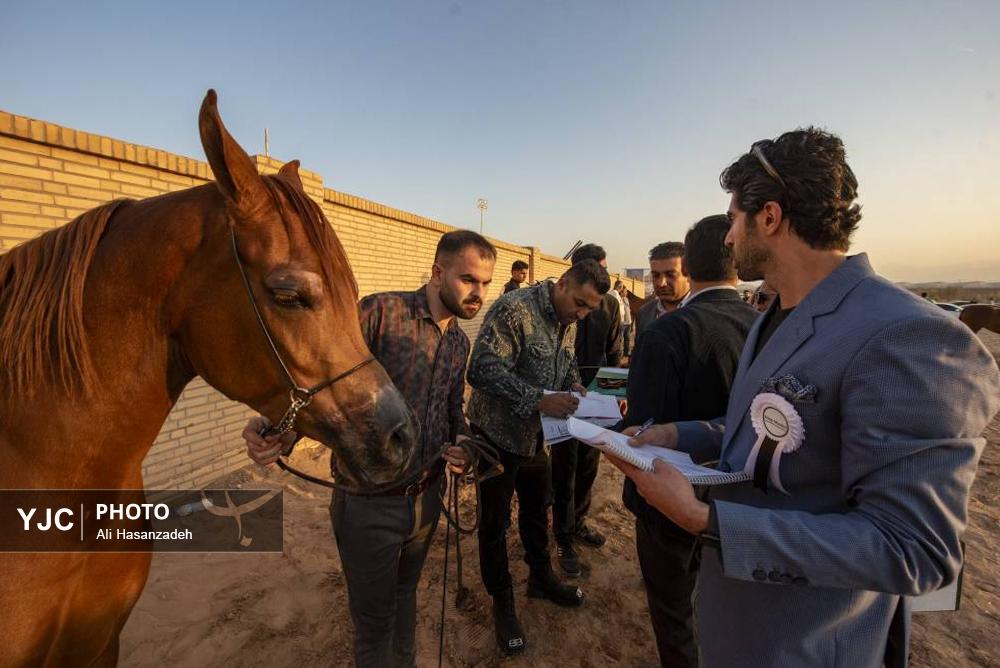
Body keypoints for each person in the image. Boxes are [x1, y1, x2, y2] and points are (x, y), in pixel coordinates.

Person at [612, 128, 1000, 667]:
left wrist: (708, 521)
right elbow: (771, 432)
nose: (726, 240)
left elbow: (913, 549)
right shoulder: (777, 313)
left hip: (805, 642)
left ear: (768, 218)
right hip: (741, 629)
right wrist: (681, 434)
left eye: (732, 221)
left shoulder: (906, 335)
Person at [243, 230, 497, 668]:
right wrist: (281, 427)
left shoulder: (459, 342)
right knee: (374, 626)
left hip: (427, 502)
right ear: (438, 273)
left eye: (485, 284)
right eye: (469, 280)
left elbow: (455, 410)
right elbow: (324, 382)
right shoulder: (380, 312)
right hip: (367, 506)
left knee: (405, 598)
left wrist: (465, 446)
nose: (478, 293)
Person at [622, 214, 757, 668]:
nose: (659, 283)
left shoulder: (668, 332)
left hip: (670, 494)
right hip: (739, 498)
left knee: (672, 608)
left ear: (689, 265)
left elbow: (642, 432)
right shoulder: (762, 325)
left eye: (668, 273)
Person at [466, 259, 611, 656]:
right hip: (495, 434)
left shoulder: (571, 319)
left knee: (536, 509)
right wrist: (539, 399)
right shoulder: (515, 309)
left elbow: (561, 368)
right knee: (494, 523)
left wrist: (574, 386)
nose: (581, 314)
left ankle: (541, 577)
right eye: (579, 303)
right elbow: (480, 369)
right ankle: (503, 601)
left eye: (588, 310)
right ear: (562, 283)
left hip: (535, 438)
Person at [551, 244, 623, 577]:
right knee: (564, 470)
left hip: (595, 401)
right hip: (563, 400)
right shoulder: (557, 306)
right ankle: (562, 537)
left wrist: (611, 399)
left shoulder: (610, 305)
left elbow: (613, 353)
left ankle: (578, 520)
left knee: (588, 467)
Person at [634, 242, 690, 337]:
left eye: (670, 275)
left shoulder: (706, 313)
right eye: (656, 276)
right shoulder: (644, 313)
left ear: (688, 274)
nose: (661, 283)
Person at [614, 280, 634, 358]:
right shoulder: (618, 299)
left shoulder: (626, 299)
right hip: (623, 323)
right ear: (621, 292)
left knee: (627, 339)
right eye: (625, 291)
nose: (626, 293)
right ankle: (620, 354)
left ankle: (626, 353)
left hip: (628, 322)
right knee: (620, 339)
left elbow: (629, 310)